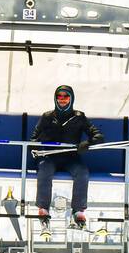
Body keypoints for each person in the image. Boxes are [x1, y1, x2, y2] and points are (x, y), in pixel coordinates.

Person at [32, 84, 103, 227]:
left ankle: (78, 210)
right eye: (59, 97)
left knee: (82, 172)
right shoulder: (47, 117)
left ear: (71, 99)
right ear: (55, 99)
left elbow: (98, 136)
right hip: (50, 157)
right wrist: (38, 148)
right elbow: (34, 138)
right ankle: (43, 207)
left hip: (71, 157)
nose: (62, 100)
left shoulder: (79, 117)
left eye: (66, 97)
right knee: (44, 170)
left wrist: (86, 143)